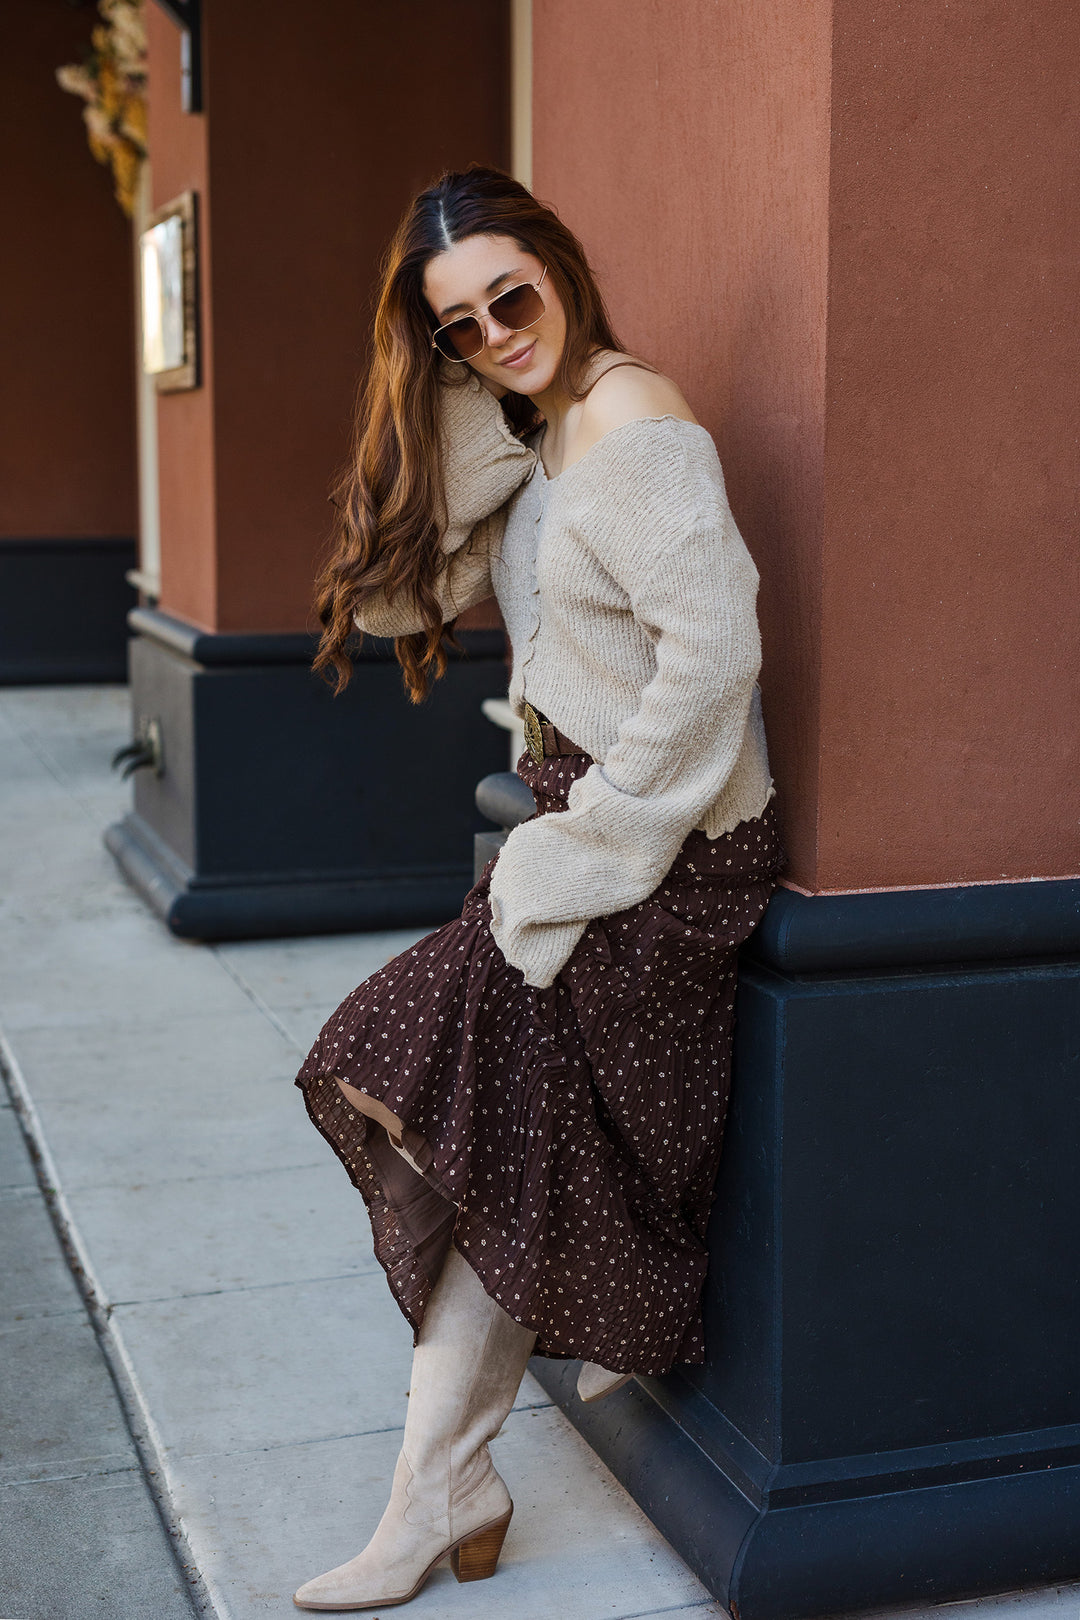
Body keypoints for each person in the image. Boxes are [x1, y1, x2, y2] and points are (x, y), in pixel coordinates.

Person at [291, 164, 784, 1612]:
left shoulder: (632, 419)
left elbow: (715, 656)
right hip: (582, 836)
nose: (501, 331)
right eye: (462, 325)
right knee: (496, 1129)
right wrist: (457, 408)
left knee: (407, 1068)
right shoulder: (539, 424)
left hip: (668, 847)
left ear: (564, 265)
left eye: (516, 296)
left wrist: (601, 844)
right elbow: (399, 601)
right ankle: (448, 1484)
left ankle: (434, 1493)